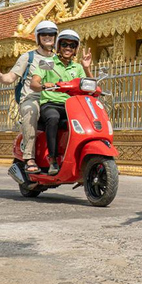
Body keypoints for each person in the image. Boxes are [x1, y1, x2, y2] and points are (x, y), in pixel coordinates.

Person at [0, 20, 58, 174]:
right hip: (32, 98)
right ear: (38, 37)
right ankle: (29, 157)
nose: (48, 37)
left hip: (52, 99)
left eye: (51, 34)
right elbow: (10, 78)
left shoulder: (59, 59)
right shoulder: (28, 57)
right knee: (32, 111)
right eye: (44, 34)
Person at [30, 29, 93, 176]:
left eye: (72, 45)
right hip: (50, 103)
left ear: (75, 49)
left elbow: (89, 85)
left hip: (71, 106)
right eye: (64, 44)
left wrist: (86, 67)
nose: (68, 48)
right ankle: (52, 159)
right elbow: (34, 83)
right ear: (59, 46)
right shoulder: (48, 63)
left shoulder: (77, 67)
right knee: (53, 118)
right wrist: (43, 85)